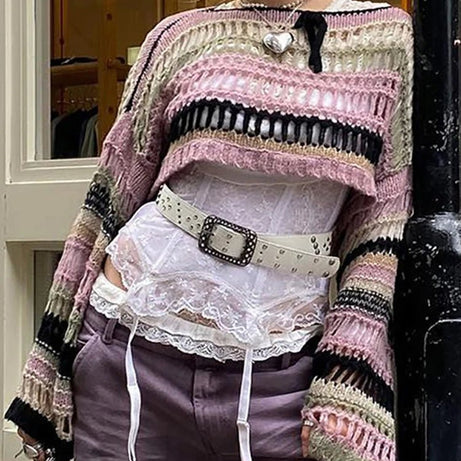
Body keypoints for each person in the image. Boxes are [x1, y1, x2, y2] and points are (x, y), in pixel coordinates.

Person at [6, 0, 413, 460]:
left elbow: (380, 223)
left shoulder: (386, 37)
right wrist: (45, 363)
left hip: (278, 378)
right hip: (128, 348)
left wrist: (348, 373)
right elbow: (110, 195)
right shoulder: (180, 35)